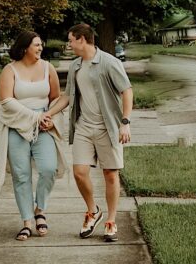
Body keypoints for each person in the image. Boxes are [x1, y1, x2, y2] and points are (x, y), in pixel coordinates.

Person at [42, 23, 132, 243]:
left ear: (82, 39)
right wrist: (48, 114)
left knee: (110, 174)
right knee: (79, 172)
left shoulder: (109, 63)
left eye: (71, 40)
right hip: (83, 126)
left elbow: (127, 90)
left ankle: (111, 220)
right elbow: (68, 96)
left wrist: (125, 122)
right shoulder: (75, 66)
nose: (69, 44)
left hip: (107, 127)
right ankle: (93, 211)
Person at [0, 30, 65, 241]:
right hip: (17, 127)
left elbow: (56, 98)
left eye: (41, 45)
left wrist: (49, 117)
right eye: (36, 45)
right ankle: (27, 221)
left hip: (43, 127)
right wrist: (35, 117)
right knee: (21, 175)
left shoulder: (48, 68)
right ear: (25, 47)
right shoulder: (10, 71)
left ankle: (40, 209)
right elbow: (6, 102)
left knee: (48, 169)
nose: (40, 48)